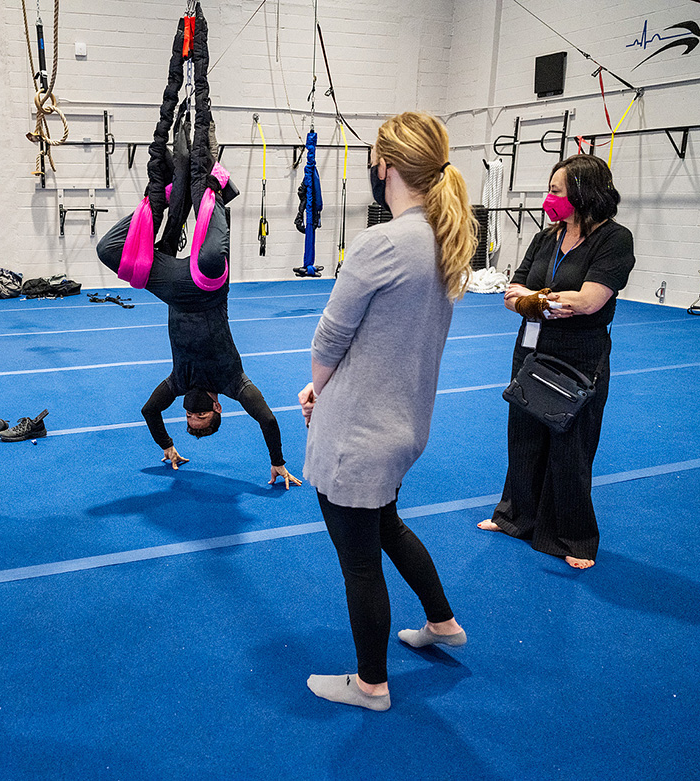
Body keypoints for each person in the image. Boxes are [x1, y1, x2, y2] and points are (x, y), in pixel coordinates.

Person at [298, 112, 475, 711]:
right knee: (387, 526)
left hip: (359, 432)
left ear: (386, 167)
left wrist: (317, 391)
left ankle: (371, 683)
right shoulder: (446, 240)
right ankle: (442, 621)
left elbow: (329, 340)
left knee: (359, 560)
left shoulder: (384, 243)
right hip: (404, 424)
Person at [95, 4, 299, 489]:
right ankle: (214, 191)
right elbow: (269, 421)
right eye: (197, 420)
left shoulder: (177, 385)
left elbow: (148, 411)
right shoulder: (235, 384)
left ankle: (163, 197)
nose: (189, 416)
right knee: (209, 255)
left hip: (173, 290)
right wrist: (276, 462)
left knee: (109, 250)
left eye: (187, 423)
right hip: (207, 288)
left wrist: (167, 445)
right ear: (216, 409)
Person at [478, 154, 635, 570]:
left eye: (555, 191)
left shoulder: (614, 239)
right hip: (532, 348)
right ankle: (515, 516)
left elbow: (589, 300)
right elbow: (513, 290)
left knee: (571, 445)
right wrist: (538, 301)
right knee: (524, 434)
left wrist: (535, 300)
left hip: (580, 355)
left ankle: (573, 536)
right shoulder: (548, 237)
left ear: (583, 195)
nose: (549, 197)